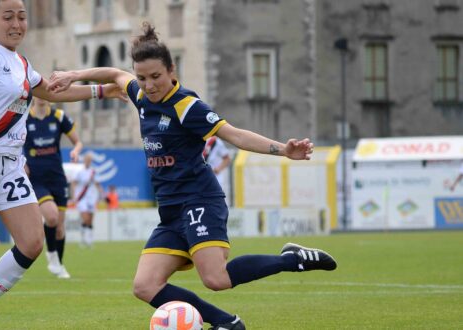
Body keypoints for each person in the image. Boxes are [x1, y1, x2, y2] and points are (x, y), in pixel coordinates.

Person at [48, 22, 337, 330]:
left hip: (199, 199)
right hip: (171, 210)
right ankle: (227, 322)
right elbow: (116, 74)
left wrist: (285, 150)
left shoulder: (187, 106)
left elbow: (235, 135)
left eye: (156, 77)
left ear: (172, 71)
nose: (149, 85)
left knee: (216, 279)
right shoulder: (141, 97)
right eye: (142, 78)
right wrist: (74, 75)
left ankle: (292, 259)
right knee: (144, 286)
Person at [0, 1, 124, 328]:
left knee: (32, 242)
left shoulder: (21, 62)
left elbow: (52, 94)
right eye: (8, 17)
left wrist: (103, 91)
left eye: (21, 16)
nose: (16, 23)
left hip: (11, 165)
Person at [24, 97, 82, 279]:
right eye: (38, 92)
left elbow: (78, 142)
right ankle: (52, 258)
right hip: (37, 179)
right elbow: (12, 144)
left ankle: (58, 264)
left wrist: (75, 151)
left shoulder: (58, 116)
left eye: (45, 92)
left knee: (59, 227)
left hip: (57, 177)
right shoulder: (24, 118)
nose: (42, 96)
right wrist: (21, 162)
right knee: (51, 216)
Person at [71, 152, 104, 248]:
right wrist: (74, 195)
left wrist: (102, 194)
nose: (88, 161)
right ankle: (83, 239)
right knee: (85, 218)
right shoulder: (80, 171)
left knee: (90, 220)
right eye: (87, 159)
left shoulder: (93, 171)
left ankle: (89, 240)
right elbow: (73, 183)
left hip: (92, 198)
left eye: (90, 160)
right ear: (84, 160)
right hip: (81, 198)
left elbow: (97, 184)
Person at [204, 136, 232, 204]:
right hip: (200, 178)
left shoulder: (215, 141)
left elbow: (227, 159)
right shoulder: (194, 139)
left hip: (214, 178)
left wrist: (217, 169)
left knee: (215, 202)